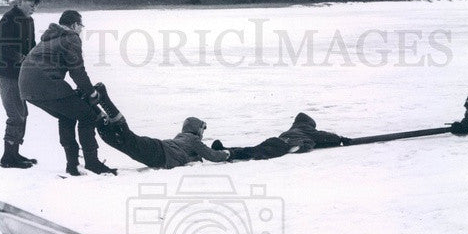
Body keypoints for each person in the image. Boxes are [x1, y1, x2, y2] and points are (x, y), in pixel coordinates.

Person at [18, 9, 115, 176]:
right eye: (81, 26)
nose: (81, 30)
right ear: (75, 25)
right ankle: (92, 163)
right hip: (45, 85)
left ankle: (72, 164)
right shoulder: (71, 38)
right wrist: (91, 93)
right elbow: (77, 71)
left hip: (27, 87)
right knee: (88, 116)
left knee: (67, 115)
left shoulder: (51, 37)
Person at [91, 83, 230, 169]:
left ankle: (94, 110)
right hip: (159, 153)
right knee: (126, 138)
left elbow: (191, 155)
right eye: (201, 128)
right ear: (195, 129)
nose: (202, 133)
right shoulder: (193, 140)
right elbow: (212, 155)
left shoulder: (182, 139)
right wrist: (226, 154)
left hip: (156, 151)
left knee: (118, 141)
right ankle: (104, 99)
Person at [0, 0, 41, 168]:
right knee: (15, 115)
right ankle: (7, 158)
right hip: (8, 75)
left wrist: (37, 57)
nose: (34, 8)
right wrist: (23, 59)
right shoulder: (8, 19)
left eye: (36, 5)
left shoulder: (29, 21)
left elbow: (32, 45)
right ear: (20, 1)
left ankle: (15, 154)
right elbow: (2, 48)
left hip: (22, 75)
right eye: (31, 3)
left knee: (23, 113)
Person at [210, 112, 349, 161]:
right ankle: (229, 153)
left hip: (276, 140)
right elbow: (328, 138)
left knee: (253, 149)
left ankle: (227, 150)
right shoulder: (307, 130)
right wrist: (340, 139)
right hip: (286, 144)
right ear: (309, 124)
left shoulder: (293, 128)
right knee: (257, 152)